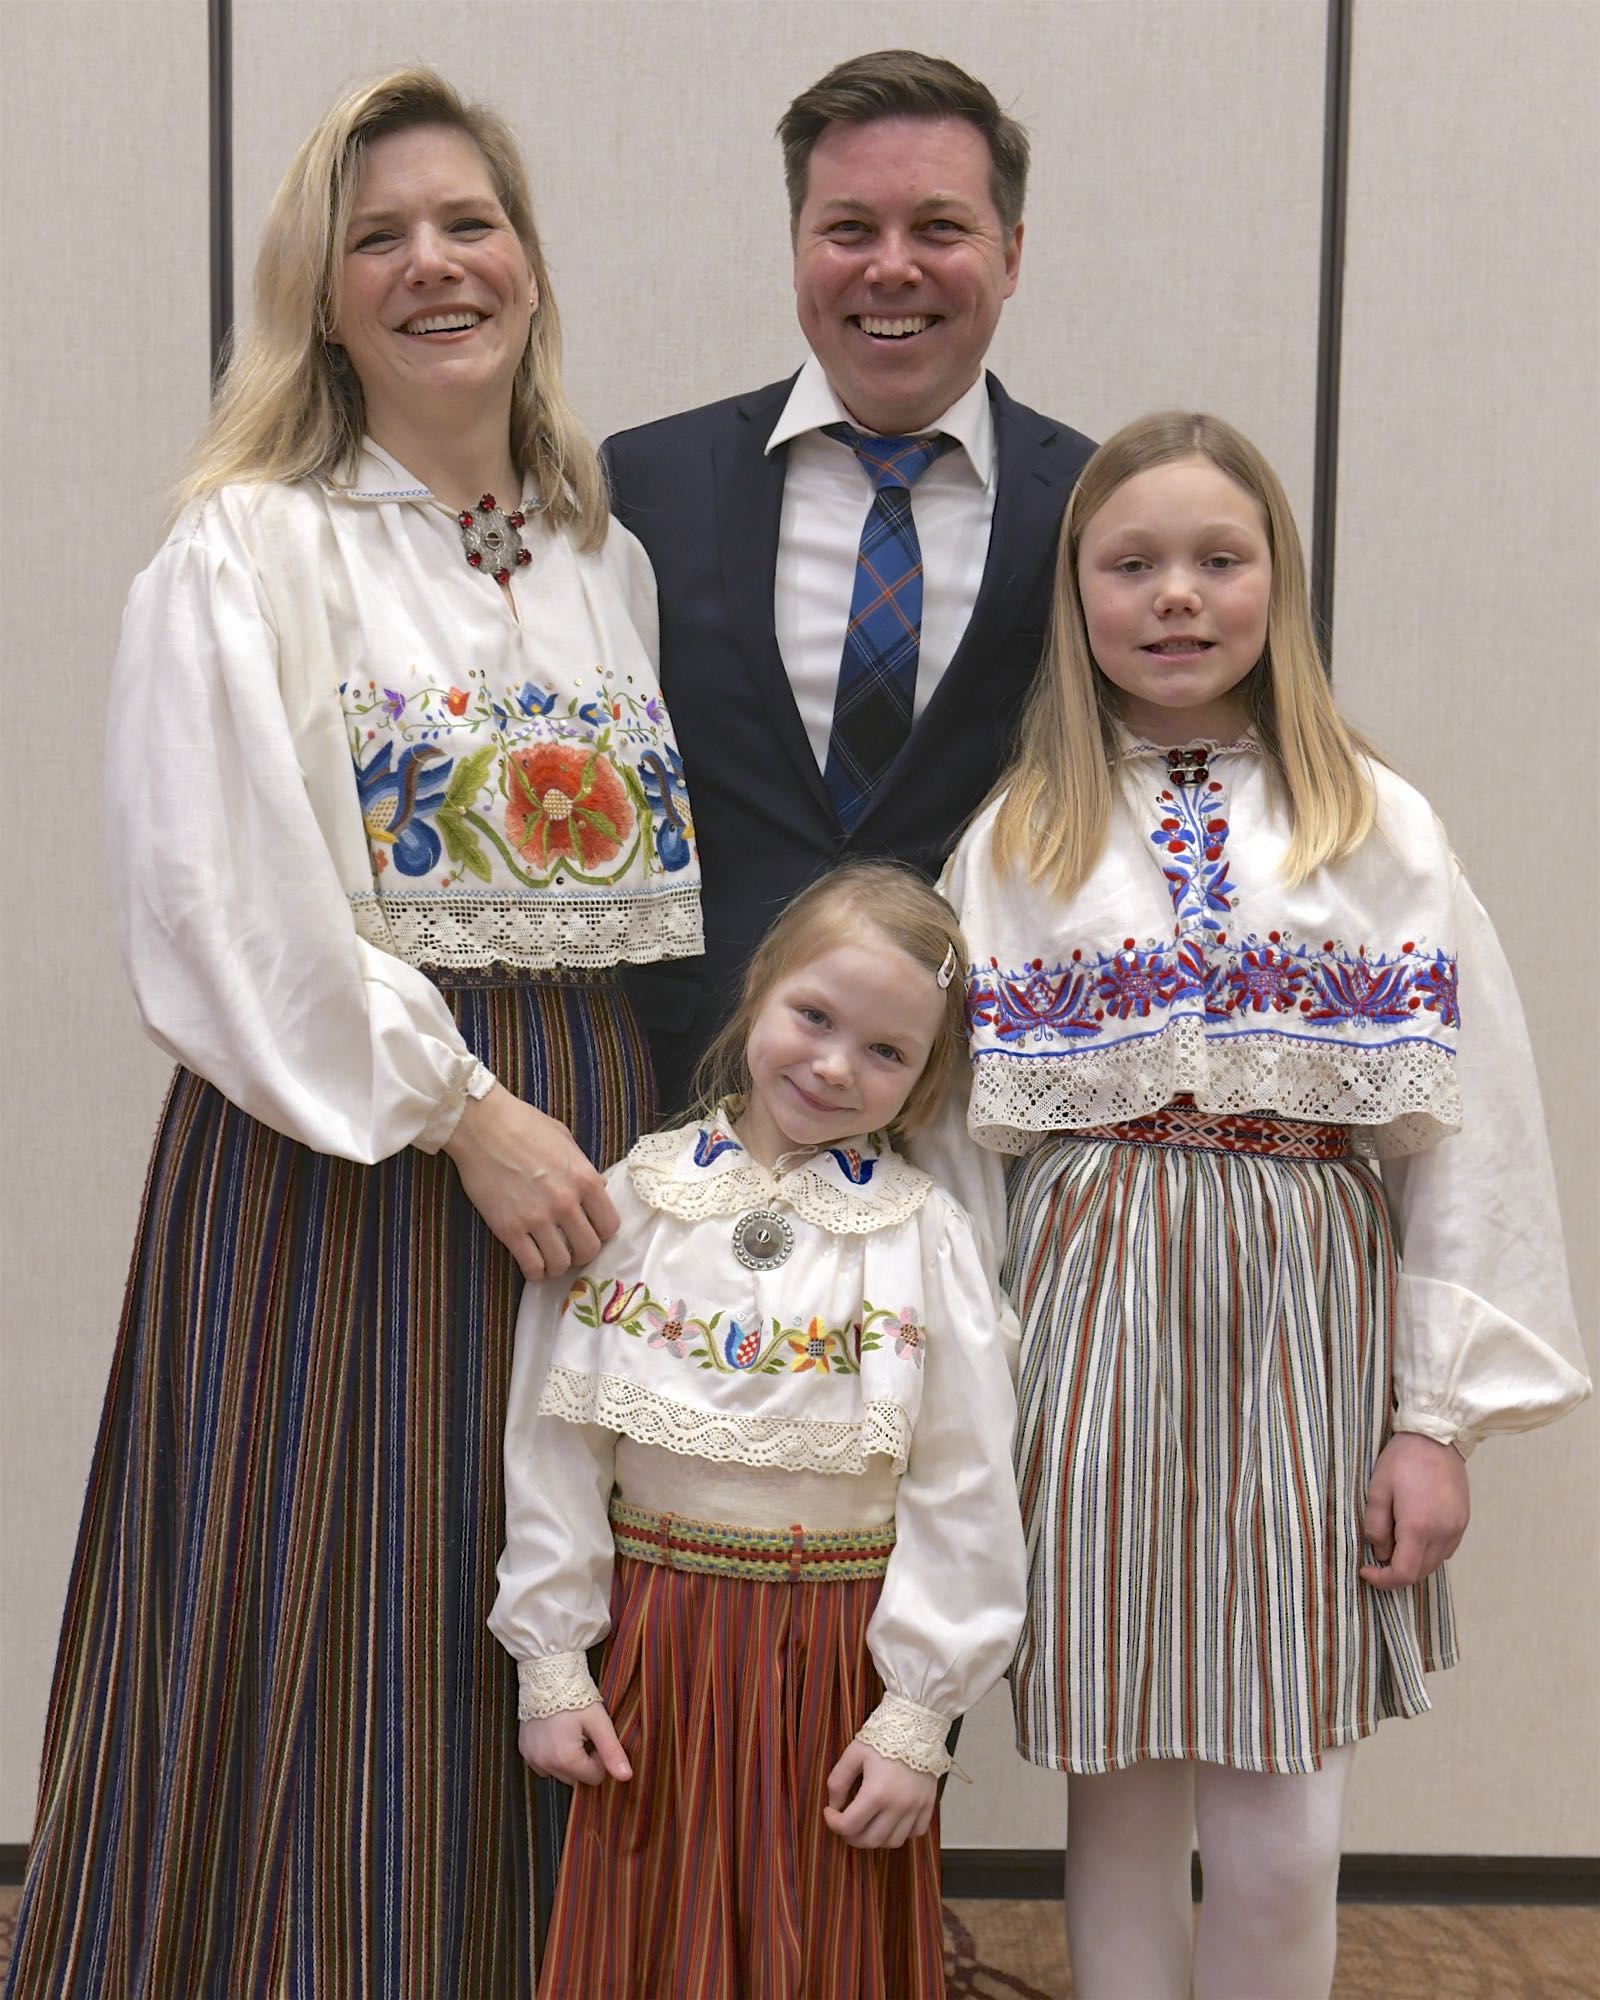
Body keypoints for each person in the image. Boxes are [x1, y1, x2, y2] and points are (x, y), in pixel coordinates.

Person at [6, 70, 700, 2000]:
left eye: (469, 223)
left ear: (531, 263)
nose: (432, 265)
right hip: (345, 1157)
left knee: (542, 1592)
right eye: (377, 237)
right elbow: (222, 904)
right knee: (335, 1595)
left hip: (584, 1133)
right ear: (318, 297)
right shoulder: (249, 548)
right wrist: (465, 1113)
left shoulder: (604, 558)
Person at [925, 412, 1591, 2000]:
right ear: (1076, 596)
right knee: (1119, 1788)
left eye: (1218, 559)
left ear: (1277, 583)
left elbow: (1474, 1139)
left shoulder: (1378, 826)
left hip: (1304, 1335)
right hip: (1086, 1332)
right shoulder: (1018, 837)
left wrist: (1435, 1421)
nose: (1176, 595)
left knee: (1283, 1827)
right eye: (1132, 564)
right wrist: (957, 1406)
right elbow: (952, 1155)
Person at [490, 863, 1026, 1999]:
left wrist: (916, 1715)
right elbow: (553, 1447)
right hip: (658, 1647)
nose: (834, 1066)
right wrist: (553, 1661)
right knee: (656, 1939)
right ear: (758, 989)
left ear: (927, 1078)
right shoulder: (634, 1202)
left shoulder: (925, 1242)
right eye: (814, 1016)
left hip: (835, 1657)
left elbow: (966, 1487)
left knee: (815, 1941)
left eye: (886, 1051)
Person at [603, 49, 1098, 1115]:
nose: (891, 268)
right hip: (681, 1097)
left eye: (939, 228)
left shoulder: (1092, 512)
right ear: (797, 248)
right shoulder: (645, 485)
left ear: (1012, 253)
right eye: (849, 229)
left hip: (971, 1103)